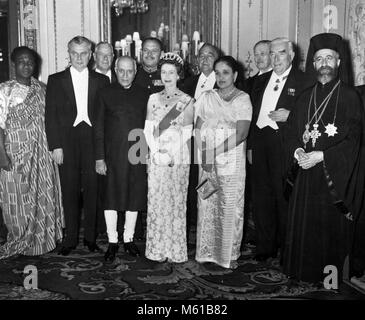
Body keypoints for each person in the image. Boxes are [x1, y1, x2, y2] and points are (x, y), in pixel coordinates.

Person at [283, 33, 365, 284]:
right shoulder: (305, 96)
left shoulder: (351, 97)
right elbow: (293, 132)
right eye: (319, 59)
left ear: (339, 62)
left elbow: (356, 141)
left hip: (334, 177)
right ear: (313, 64)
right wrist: (298, 152)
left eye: (330, 58)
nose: (324, 63)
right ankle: (304, 270)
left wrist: (322, 155)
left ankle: (332, 275)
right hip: (306, 174)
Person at [45, 36, 109, 256]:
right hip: (67, 142)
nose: (79, 58)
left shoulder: (101, 81)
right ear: (69, 53)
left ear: (91, 55)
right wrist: (56, 146)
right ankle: (70, 239)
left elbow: (104, 116)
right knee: (70, 190)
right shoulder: (56, 80)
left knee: (93, 189)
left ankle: (90, 238)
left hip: (92, 139)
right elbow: (50, 116)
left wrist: (102, 151)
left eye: (84, 53)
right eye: (75, 53)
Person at [249, 38, 310, 262]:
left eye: (281, 53)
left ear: (292, 55)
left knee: (284, 197)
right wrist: (250, 146)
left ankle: (288, 250)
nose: (275, 58)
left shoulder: (304, 81)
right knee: (261, 196)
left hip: (285, 144)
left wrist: (291, 116)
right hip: (261, 143)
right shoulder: (260, 81)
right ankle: (266, 246)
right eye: (272, 54)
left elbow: (314, 116)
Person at [0, 46, 64, 259]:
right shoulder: (4, 91)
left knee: (40, 196)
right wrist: (2, 154)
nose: (26, 65)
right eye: (21, 61)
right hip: (14, 154)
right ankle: (19, 239)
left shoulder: (43, 89)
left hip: (41, 155)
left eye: (30, 62)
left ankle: (40, 241)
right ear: (14, 64)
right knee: (15, 198)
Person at [194, 56, 252, 269]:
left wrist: (214, 153)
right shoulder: (207, 96)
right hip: (207, 159)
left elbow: (241, 133)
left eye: (225, 72)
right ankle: (206, 252)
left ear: (235, 75)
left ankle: (228, 255)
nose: (221, 77)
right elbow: (197, 128)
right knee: (207, 202)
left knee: (229, 206)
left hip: (230, 160)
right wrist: (205, 155)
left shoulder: (243, 98)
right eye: (217, 73)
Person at [94, 56, 149, 262]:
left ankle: (128, 238)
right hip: (112, 153)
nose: (126, 75)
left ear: (136, 72)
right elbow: (98, 128)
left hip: (136, 150)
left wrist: (148, 154)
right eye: (122, 71)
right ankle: (112, 240)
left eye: (130, 71)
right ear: (116, 71)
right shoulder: (104, 93)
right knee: (111, 196)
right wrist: (100, 158)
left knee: (133, 195)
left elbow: (149, 126)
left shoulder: (144, 94)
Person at [144, 52, 194, 264]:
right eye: (163, 71)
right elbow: (147, 129)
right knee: (156, 201)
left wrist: (170, 153)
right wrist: (156, 153)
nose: (167, 76)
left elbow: (188, 130)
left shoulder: (187, 100)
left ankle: (174, 250)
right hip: (156, 155)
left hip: (178, 155)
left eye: (171, 72)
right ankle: (156, 249)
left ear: (178, 74)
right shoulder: (153, 98)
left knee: (175, 202)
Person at [181, 43, 220, 245]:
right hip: (189, 143)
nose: (205, 59)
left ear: (217, 59)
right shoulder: (188, 83)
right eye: (201, 56)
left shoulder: (223, 83)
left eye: (210, 56)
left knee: (209, 187)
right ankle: (189, 233)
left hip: (213, 145)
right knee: (189, 187)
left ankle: (208, 235)